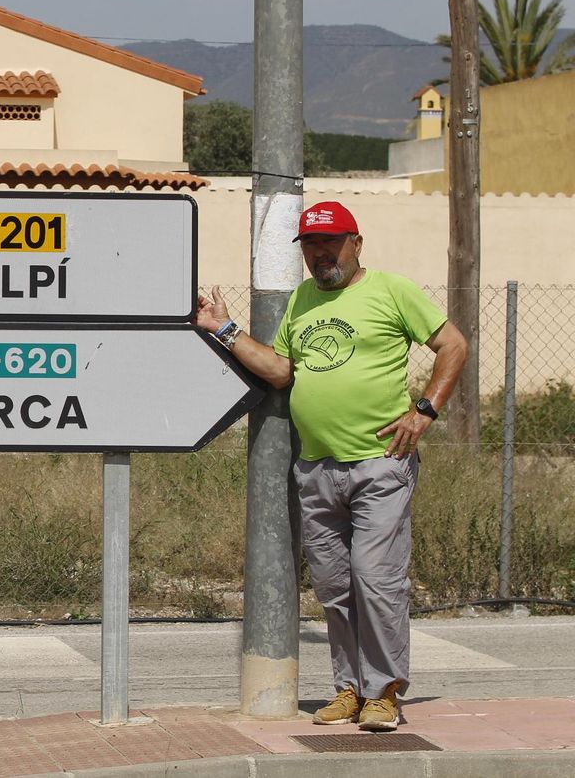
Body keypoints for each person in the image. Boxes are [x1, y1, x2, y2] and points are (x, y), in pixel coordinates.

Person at [192, 201, 467, 732]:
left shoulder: (391, 290)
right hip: (316, 467)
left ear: (356, 243)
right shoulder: (301, 299)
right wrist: (222, 328)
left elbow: (451, 344)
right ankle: (348, 688)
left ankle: (384, 691)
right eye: (313, 245)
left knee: (376, 580)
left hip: (381, 463)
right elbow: (279, 371)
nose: (322, 254)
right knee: (336, 586)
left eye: (332, 242)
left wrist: (425, 409)